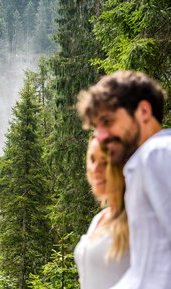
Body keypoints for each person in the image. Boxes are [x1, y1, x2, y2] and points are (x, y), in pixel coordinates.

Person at [77, 70, 171, 288]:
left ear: (144, 111)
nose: (101, 136)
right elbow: (146, 273)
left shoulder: (157, 153)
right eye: (97, 127)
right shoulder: (146, 160)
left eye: (107, 122)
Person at [74, 137, 129, 289]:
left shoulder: (138, 219)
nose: (95, 169)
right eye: (92, 159)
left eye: (105, 162)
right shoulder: (99, 218)